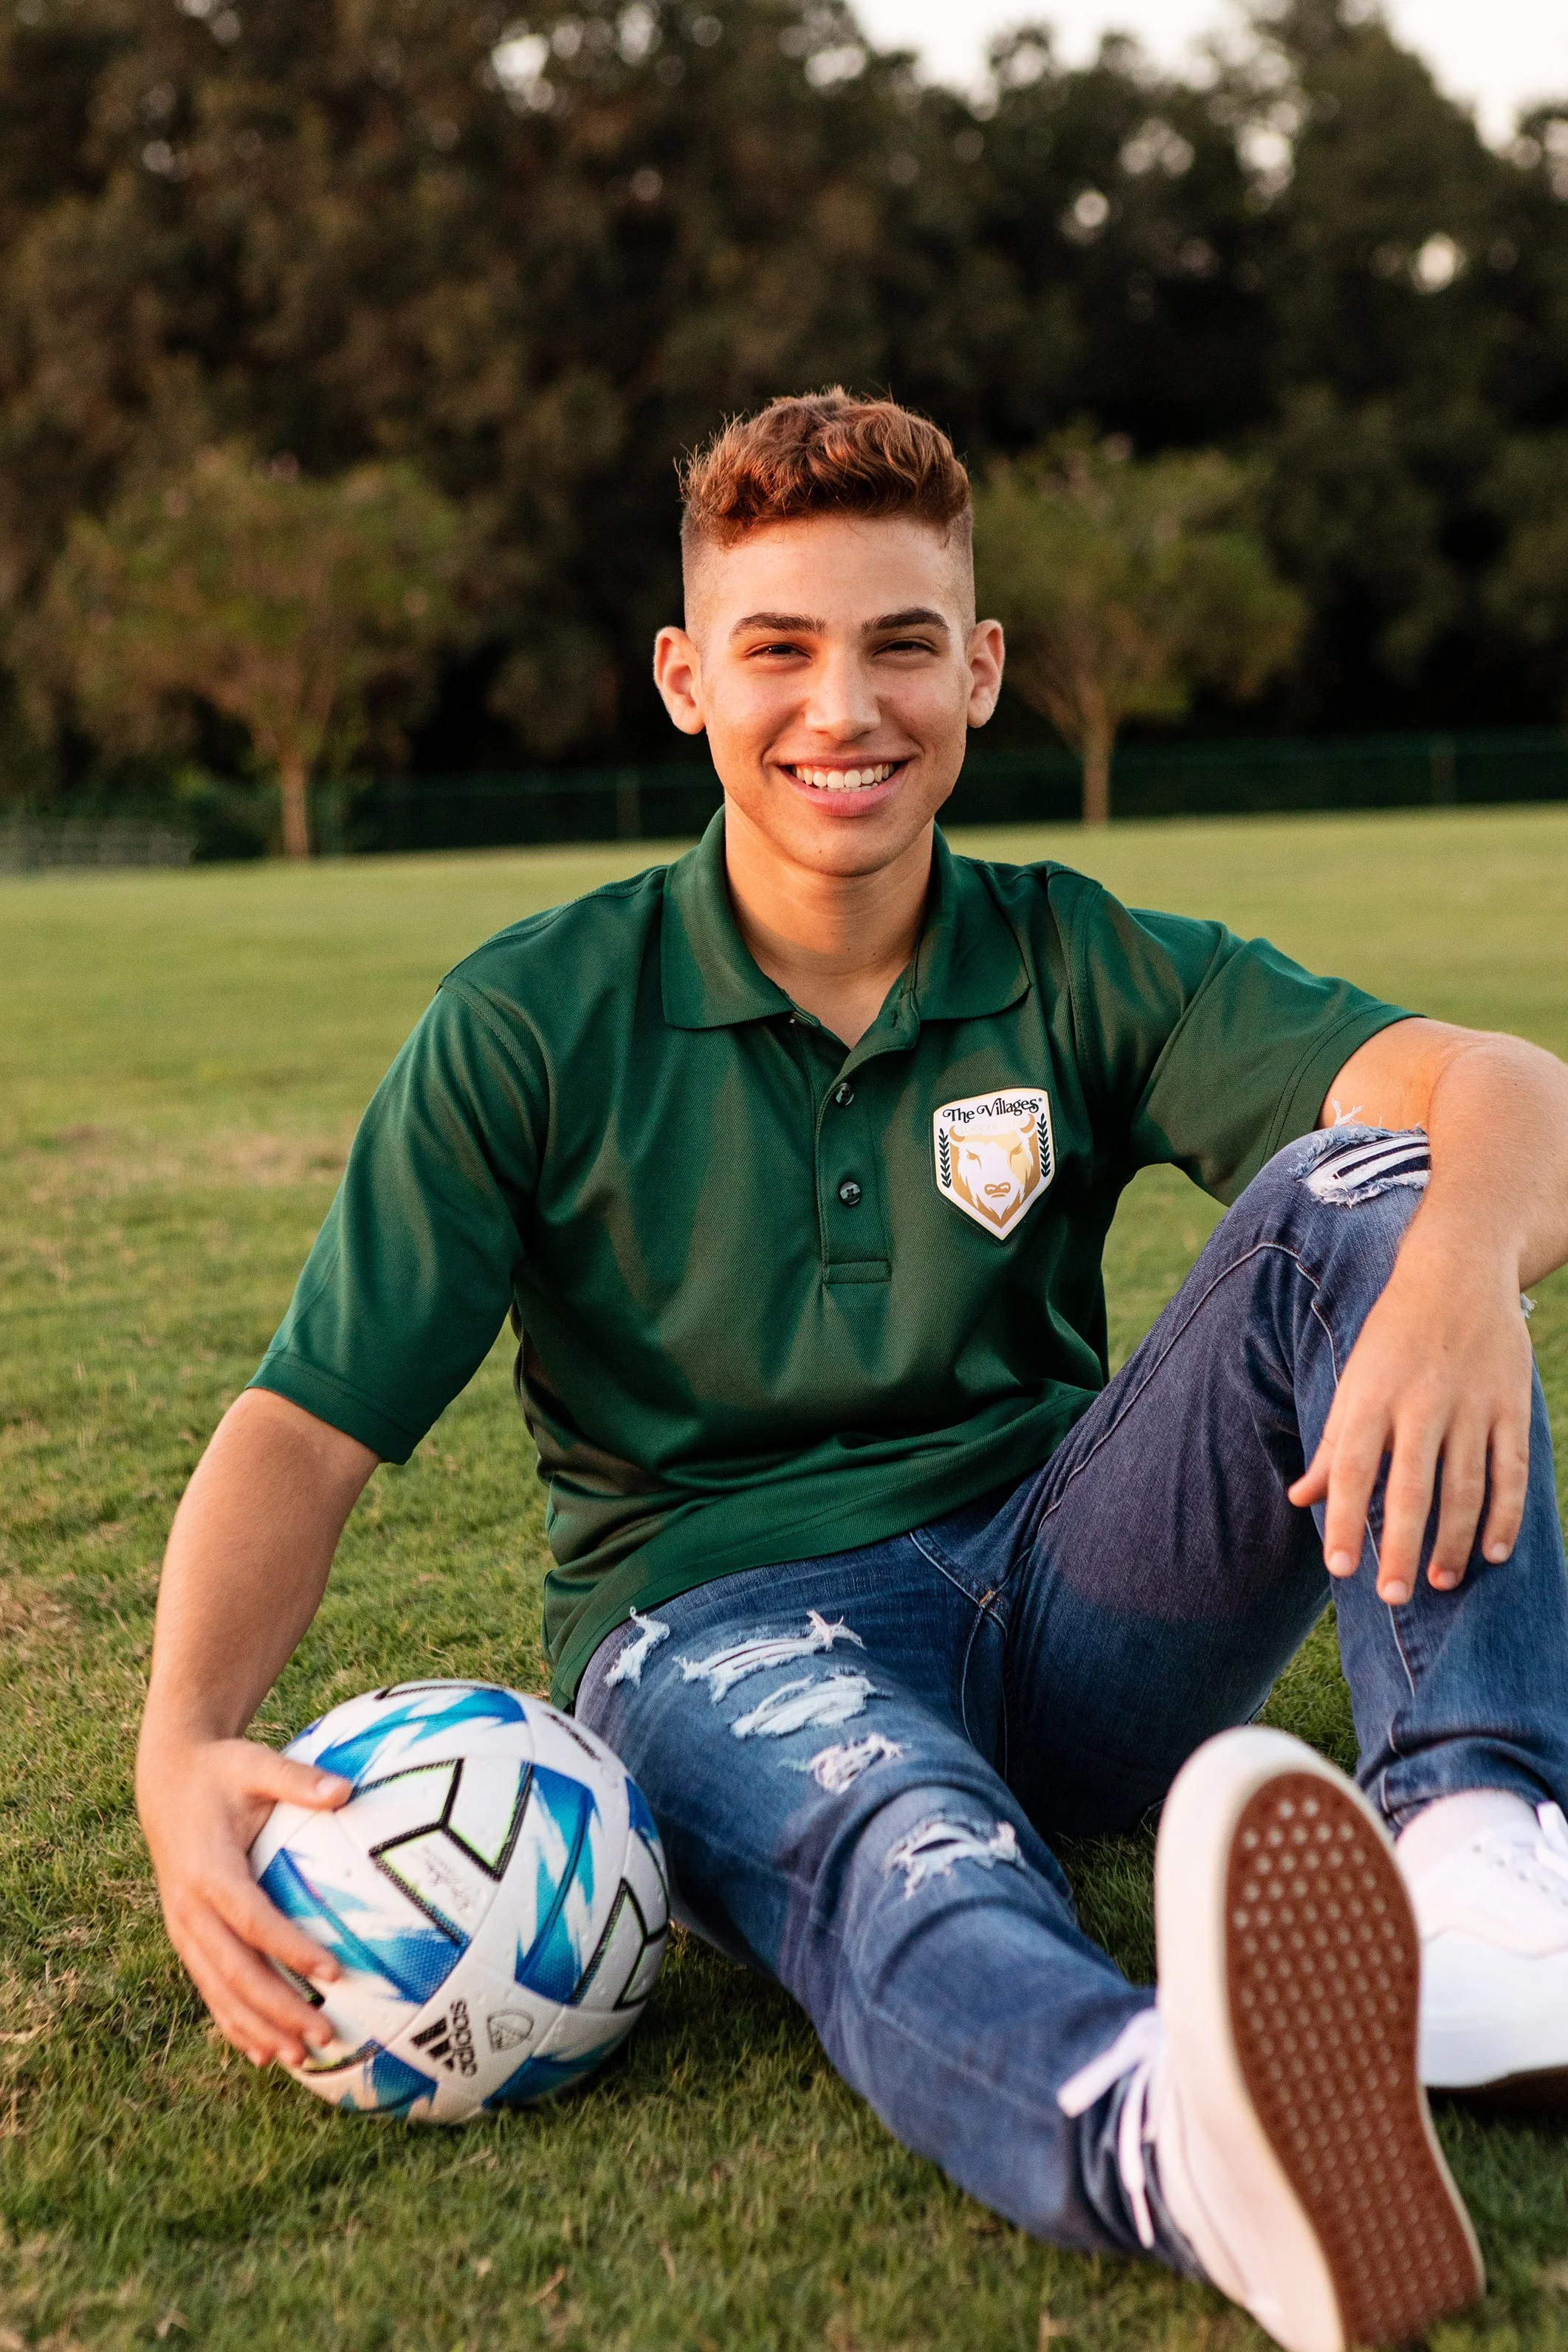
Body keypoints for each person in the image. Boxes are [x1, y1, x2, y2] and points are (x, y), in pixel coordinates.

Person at [137, 391, 1568, 2352]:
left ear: (977, 672)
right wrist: (174, 1746)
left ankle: (1482, 1891)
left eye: (901, 643)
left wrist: (1457, 1267)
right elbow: (306, 1430)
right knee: (898, 1843)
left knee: (1375, 1188)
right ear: (682, 678)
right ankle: (1164, 2133)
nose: (844, 706)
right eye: (778, 649)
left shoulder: (1072, 957)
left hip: (1070, 1597)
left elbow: (1500, 1089)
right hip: (719, 1625)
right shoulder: (531, 1020)